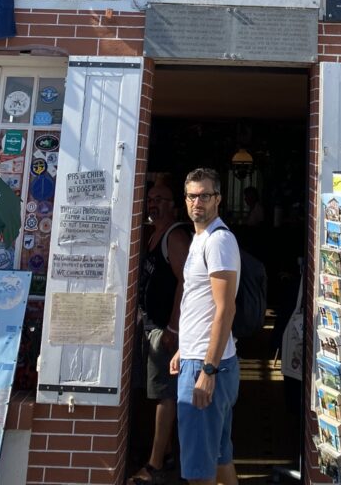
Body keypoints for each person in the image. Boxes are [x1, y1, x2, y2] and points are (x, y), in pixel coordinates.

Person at [169, 168, 241, 485]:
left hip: (208, 367)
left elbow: (226, 309)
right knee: (219, 459)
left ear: (218, 199)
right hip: (198, 357)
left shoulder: (218, 240)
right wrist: (185, 347)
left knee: (200, 473)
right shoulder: (200, 238)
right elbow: (200, 302)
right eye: (192, 195)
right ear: (185, 200)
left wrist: (207, 371)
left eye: (205, 195)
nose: (198, 202)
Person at [129, 177, 191, 485]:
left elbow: (187, 282)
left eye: (161, 199)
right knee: (154, 392)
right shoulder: (152, 235)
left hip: (164, 330)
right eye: (150, 198)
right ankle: (163, 453)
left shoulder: (175, 236)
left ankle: (154, 465)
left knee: (165, 393)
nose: (154, 203)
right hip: (148, 324)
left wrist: (173, 328)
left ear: (174, 206)